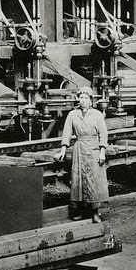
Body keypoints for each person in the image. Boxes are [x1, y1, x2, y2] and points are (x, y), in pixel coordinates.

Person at [57, 88, 109, 223]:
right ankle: (80, 211)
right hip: (79, 149)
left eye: (86, 98)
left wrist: (102, 151)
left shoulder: (97, 114)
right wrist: (63, 149)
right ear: (78, 99)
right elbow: (67, 133)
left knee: (94, 181)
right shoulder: (72, 114)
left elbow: (103, 134)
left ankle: (95, 213)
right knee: (78, 181)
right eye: (81, 98)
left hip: (93, 148)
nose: (83, 100)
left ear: (91, 100)